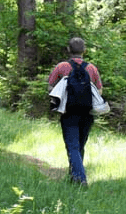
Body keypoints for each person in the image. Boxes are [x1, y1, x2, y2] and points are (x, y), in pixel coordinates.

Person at [47, 37, 103, 186]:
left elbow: (50, 87)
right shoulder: (91, 68)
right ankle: (75, 176)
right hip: (87, 112)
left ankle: (80, 178)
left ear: (68, 50)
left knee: (72, 146)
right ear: (84, 50)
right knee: (80, 145)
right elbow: (99, 90)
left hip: (68, 112)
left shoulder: (61, 67)